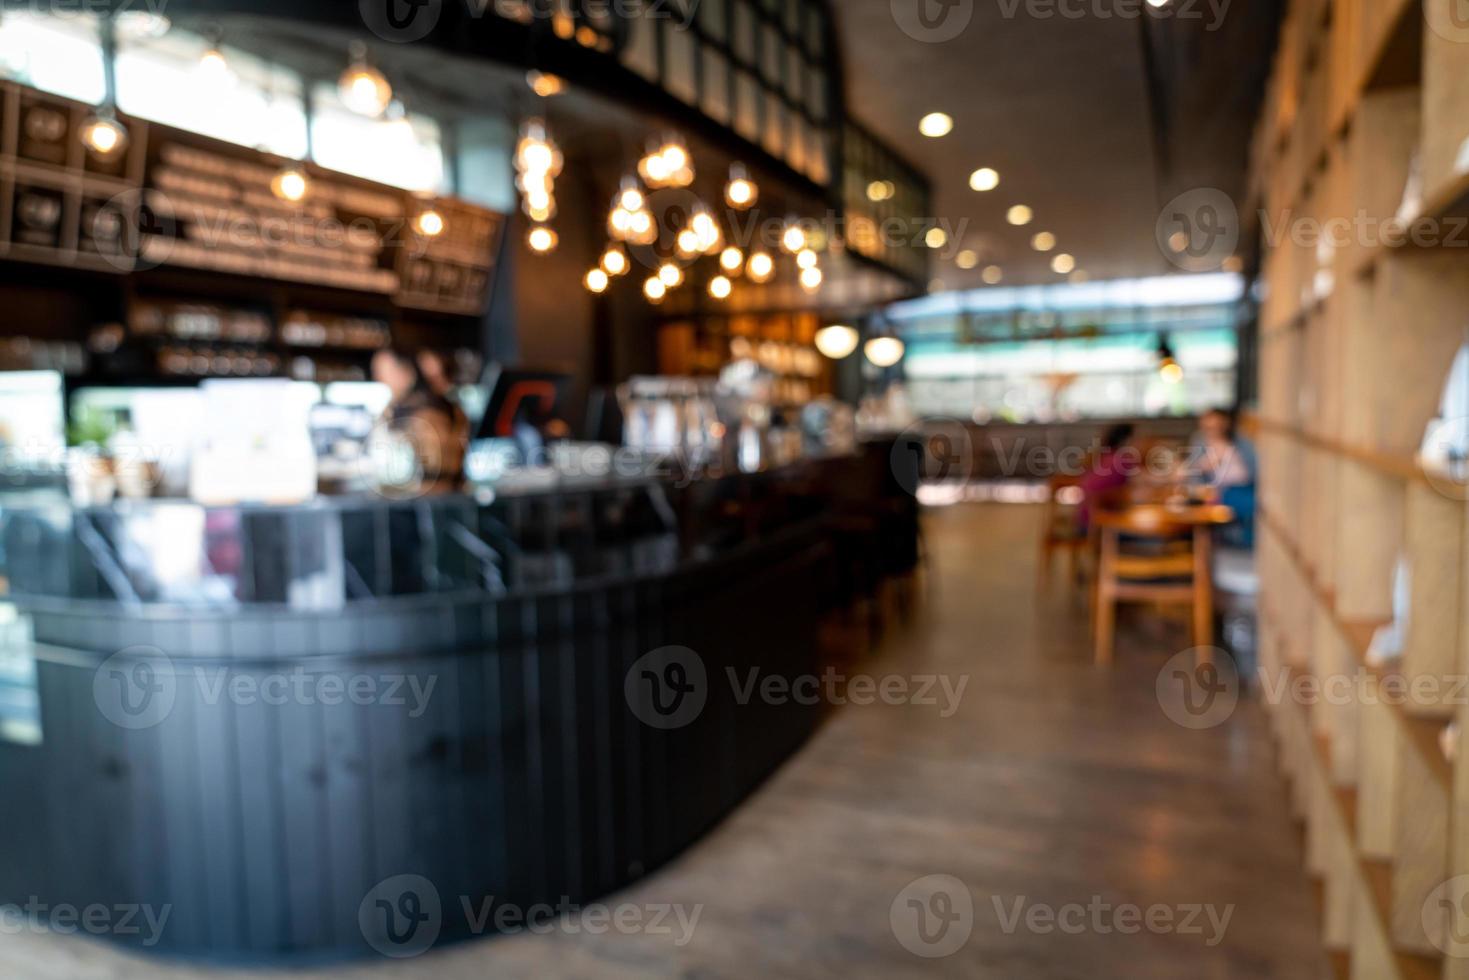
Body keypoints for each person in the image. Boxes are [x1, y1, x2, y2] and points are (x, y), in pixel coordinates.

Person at [371, 348, 465, 494]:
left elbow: (431, 466)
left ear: (406, 371)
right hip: (447, 493)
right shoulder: (446, 406)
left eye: (384, 371)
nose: (379, 378)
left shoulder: (418, 410)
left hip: (428, 495)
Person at [1190, 408, 1256, 546]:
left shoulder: (1241, 441)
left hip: (1247, 487)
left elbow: (1255, 467)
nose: (1213, 429)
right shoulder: (1200, 442)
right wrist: (1202, 467)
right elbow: (1193, 473)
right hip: (1221, 491)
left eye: (1217, 425)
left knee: (1256, 504)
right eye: (1209, 427)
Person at [1076, 423, 1135, 531]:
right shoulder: (1122, 460)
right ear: (1127, 441)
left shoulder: (1103, 456)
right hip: (1100, 527)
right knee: (1158, 540)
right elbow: (1130, 494)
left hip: (1085, 523)